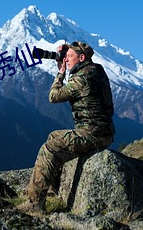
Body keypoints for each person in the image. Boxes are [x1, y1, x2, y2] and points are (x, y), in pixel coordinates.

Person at [17, 41, 115, 213]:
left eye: (70, 57)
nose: (66, 59)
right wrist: (67, 52)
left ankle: (34, 204)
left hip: (92, 133)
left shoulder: (82, 79)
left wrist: (60, 73)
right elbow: (78, 60)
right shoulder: (96, 70)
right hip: (102, 131)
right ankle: (54, 189)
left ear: (82, 58)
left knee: (50, 148)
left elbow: (53, 97)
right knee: (54, 136)